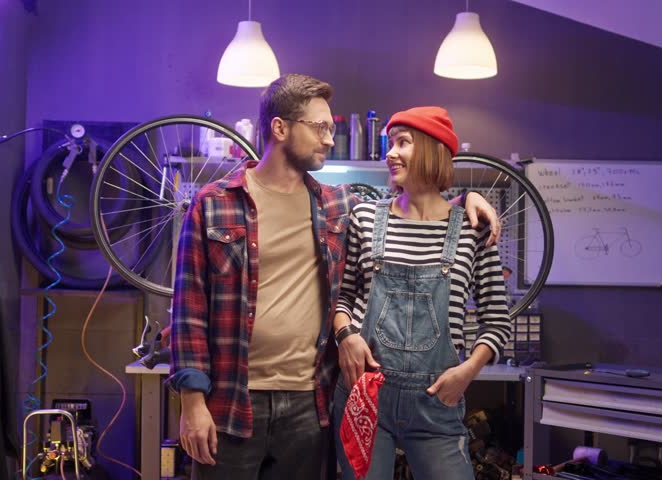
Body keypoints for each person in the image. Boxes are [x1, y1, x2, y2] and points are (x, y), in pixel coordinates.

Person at [168, 75, 501, 480]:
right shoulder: (214, 204)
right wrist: (191, 402)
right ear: (280, 128)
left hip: (310, 405)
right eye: (320, 127)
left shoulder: (337, 205)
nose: (329, 139)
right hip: (233, 401)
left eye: (331, 129)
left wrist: (466, 199)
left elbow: (418, 209)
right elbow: (188, 312)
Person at [333, 106, 513, 479]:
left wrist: (467, 372)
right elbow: (344, 297)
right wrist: (345, 335)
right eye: (389, 142)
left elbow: (497, 320)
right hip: (365, 395)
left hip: (437, 402)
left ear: (432, 150)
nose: (390, 152)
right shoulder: (365, 218)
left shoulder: (472, 229)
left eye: (403, 143)